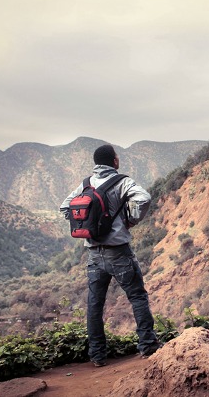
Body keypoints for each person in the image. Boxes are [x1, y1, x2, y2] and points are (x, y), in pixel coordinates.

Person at [59, 144, 161, 367]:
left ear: (97, 163)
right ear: (114, 161)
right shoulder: (122, 182)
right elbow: (144, 198)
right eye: (117, 157)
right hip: (118, 252)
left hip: (93, 253)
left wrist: (85, 225)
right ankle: (148, 345)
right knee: (137, 296)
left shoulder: (86, 184)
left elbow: (65, 207)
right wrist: (131, 220)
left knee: (95, 304)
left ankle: (97, 355)